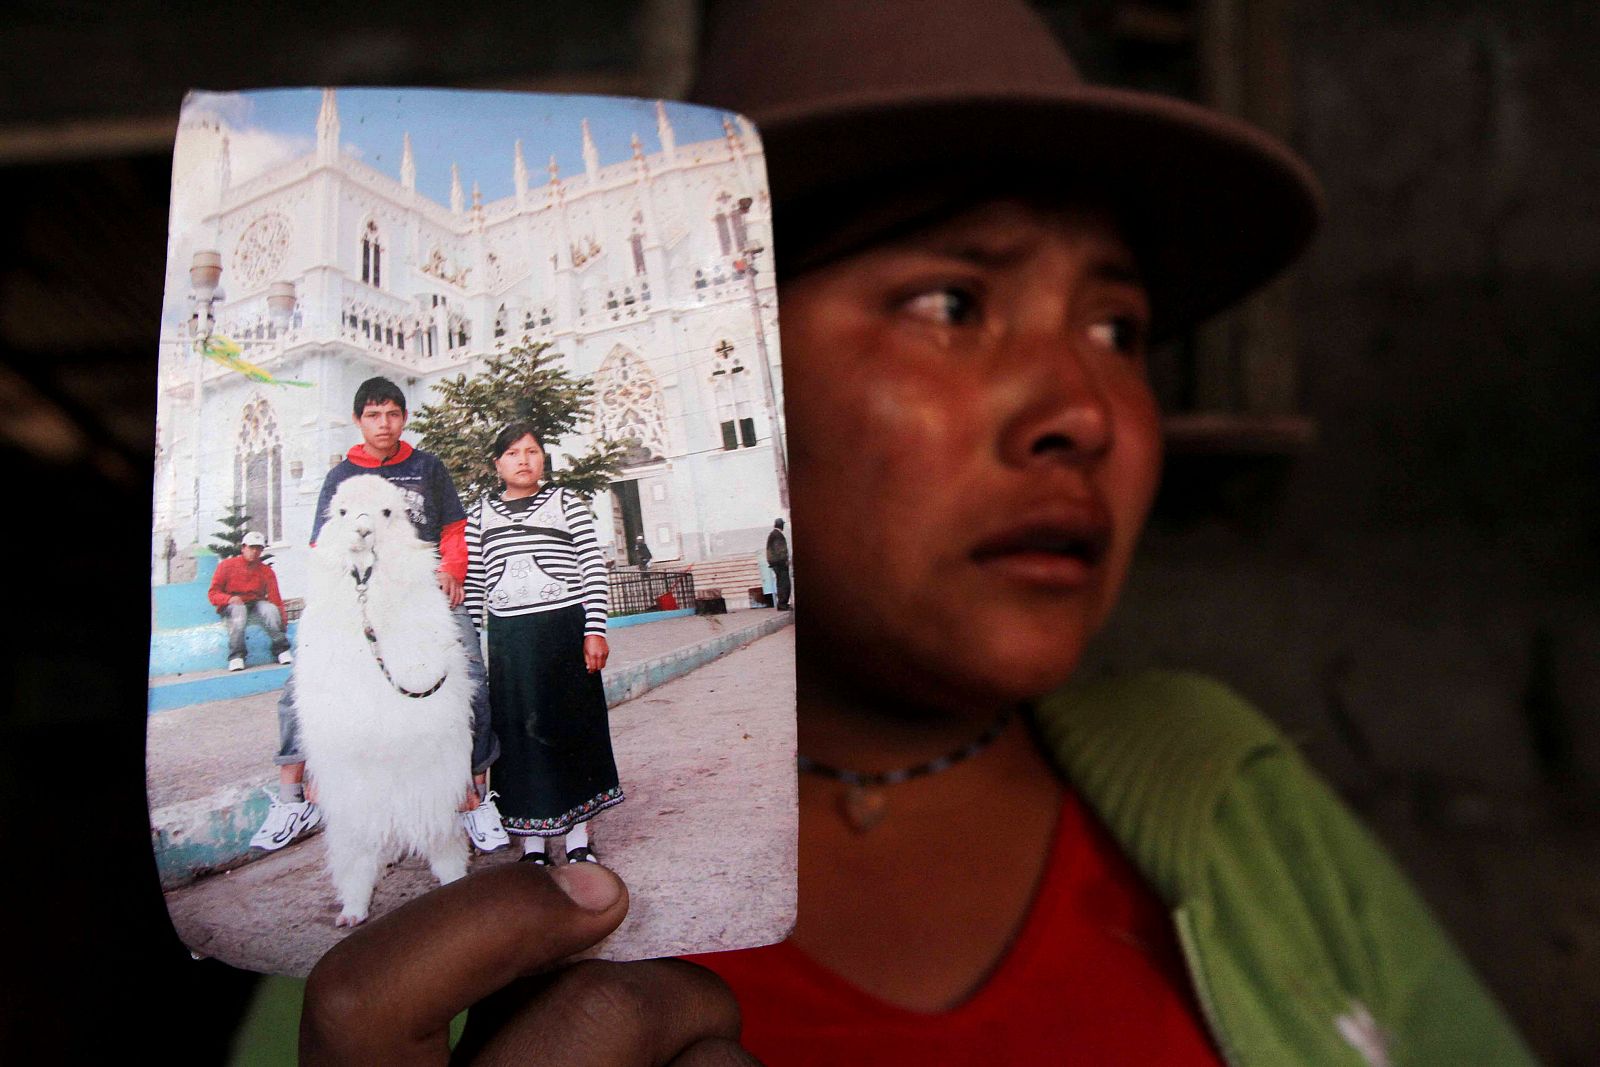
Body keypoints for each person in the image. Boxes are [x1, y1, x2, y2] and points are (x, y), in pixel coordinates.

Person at [272, 2, 1536, 1063]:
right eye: (951, 300)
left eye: (1118, 330)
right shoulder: (414, 935)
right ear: (738, 355)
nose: (1085, 413)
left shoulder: (1230, 792)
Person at [248, 377, 509, 855]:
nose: (383, 424)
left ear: (404, 418)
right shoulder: (340, 476)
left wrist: (452, 569)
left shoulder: (427, 467)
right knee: (304, 678)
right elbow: (320, 545)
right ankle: (291, 796)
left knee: (469, 670)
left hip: (424, 597)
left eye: (392, 414)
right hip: (361, 600)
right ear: (358, 421)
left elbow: (453, 528)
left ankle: (474, 794)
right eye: (373, 415)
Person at [462, 424, 622, 866]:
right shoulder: (479, 515)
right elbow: (474, 585)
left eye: (532, 451)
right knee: (519, 737)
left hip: (563, 633)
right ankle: (533, 844)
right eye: (512, 453)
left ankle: (578, 838)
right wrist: (471, 648)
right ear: (498, 464)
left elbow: (592, 567)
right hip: (511, 640)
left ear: (543, 460)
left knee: (570, 728)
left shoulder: (566, 502)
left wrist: (595, 629)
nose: (524, 460)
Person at [207, 530, 291, 672]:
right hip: (233, 605)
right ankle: (236, 656)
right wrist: (229, 599)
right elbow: (213, 593)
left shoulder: (266, 571)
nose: (254, 552)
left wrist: (283, 621)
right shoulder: (226, 566)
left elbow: (275, 598)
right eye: (251, 547)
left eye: (258, 548)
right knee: (239, 611)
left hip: (255, 603)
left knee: (269, 609)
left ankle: (281, 650)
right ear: (243, 548)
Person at [766, 518, 790, 610]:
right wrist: (785, 560)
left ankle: (781, 603)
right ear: (781, 525)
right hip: (780, 563)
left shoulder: (773, 534)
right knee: (784, 583)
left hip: (775, 563)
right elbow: (780, 550)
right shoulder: (778, 535)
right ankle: (782, 604)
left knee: (780, 583)